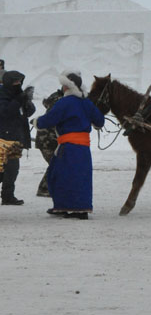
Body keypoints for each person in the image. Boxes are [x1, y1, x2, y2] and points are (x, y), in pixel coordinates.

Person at [36, 71, 105, 219]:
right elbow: (100, 121)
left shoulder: (64, 102)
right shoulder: (87, 102)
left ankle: (69, 207)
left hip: (68, 147)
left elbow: (49, 119)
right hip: (83, 147)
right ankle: (78, 208)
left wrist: (36, 122)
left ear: (67, 87)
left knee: (60, 175)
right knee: (81, 177)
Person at [0, 70, 36, 205]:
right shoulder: (2, 94)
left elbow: (29, 112)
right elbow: (5, 112)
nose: (18, 84)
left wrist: (27, 101)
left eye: (19, 82)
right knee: (2, 170)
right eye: (15, 81)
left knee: (12, 169)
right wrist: (19, 100)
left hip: (15, 138)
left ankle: (8, 196)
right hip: (3, 138)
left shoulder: (18, 94)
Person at [35, 88, 64, 197]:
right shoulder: (59, 99)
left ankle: (48, 188)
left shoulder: (56, 97)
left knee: (56, 164)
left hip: (48, 138)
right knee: (56, 164)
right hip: (47, 139)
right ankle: (44, 189)